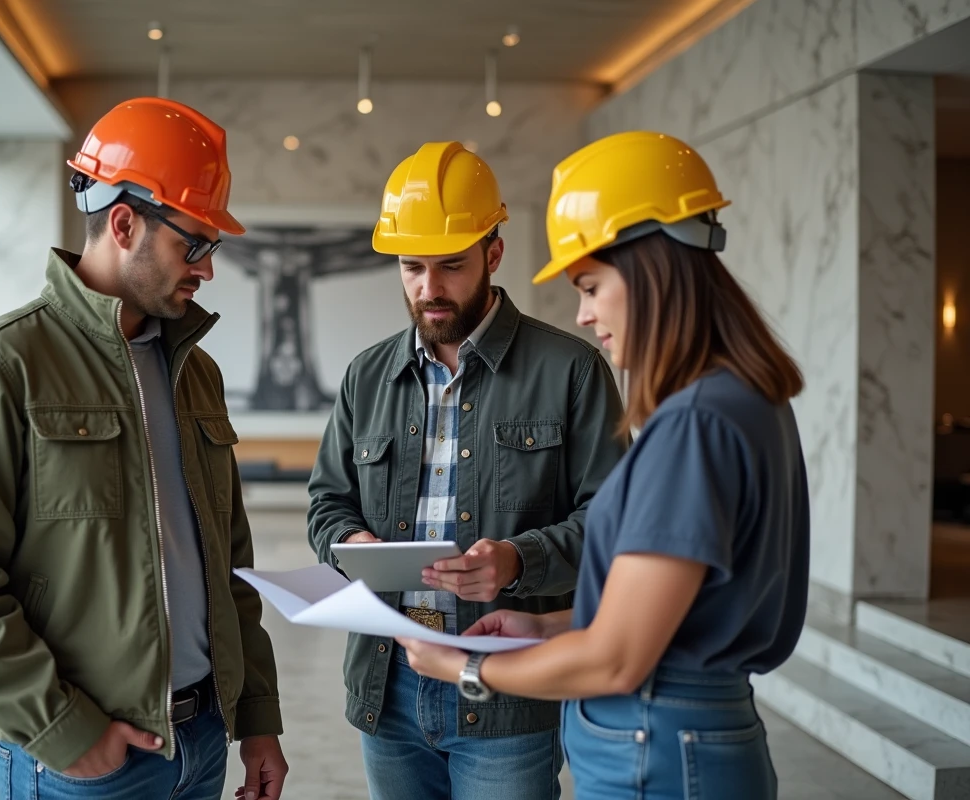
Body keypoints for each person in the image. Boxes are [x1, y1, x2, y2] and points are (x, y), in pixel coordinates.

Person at [395, 131, 810, 800]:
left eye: (590, 285)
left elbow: (620, 658)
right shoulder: (747, 398)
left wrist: (466, 667)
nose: (584, 314)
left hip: (656, 748)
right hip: (688, 738)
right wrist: (546, 623)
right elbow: (670, 615)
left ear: (651, 268)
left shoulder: (696, 423)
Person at [0, 97, 288, 800]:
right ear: (123, 223)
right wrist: (64, 731)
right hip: (86, 760)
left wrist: (256, 716)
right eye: (192, 245)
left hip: (201, 743)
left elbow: (231, 564)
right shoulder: (0, 364)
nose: (205, 269)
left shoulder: (195, 372)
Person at [306, 141, 629, 800]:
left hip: (506, 697)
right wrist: (354, 546)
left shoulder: (572, 371)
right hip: (386, 688)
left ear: (493, 253)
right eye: (411, 267)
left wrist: (517, 559)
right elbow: (327, 504)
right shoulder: (366, 376)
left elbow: (615, 525)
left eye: (450, 265)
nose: (429, 288)